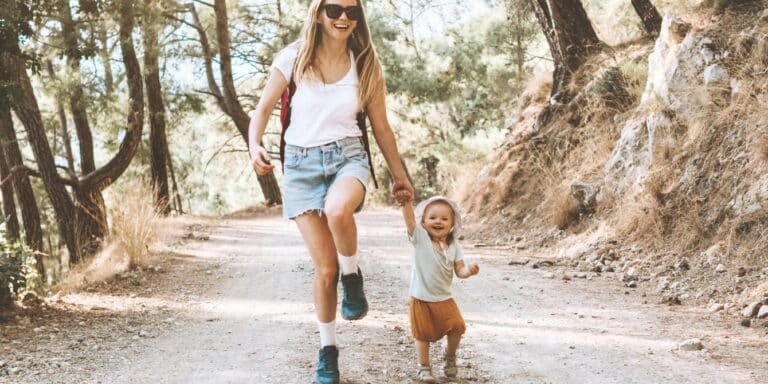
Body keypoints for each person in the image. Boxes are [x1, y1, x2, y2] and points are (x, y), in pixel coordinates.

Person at [247, 0, 414, 383]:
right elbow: (261, 110)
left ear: (359, 20)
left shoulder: (366, 63)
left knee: (339, 211)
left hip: (348, 156)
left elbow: (382, 128)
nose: (343, 18)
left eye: (352, 12)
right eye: (335, 9)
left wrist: (399, 175)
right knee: (324, 271)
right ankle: (328, 351)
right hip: (301, 168)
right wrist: (254, 145)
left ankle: (352, 275)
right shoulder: (293, 57)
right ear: (319, 13)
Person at [396, 194, 480, 383]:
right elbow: (409, 220)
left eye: (444, 218)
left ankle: (449, 356)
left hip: (444, 298)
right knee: (422, 334)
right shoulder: (420, 239)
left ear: (452, 223)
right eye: (432, 217)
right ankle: (424, 367)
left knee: (457, 327)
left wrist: (469, 271)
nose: (438, 222)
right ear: (424, 221)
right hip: (421, 297)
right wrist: (407, 203)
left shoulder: (454, 245)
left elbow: (460, 270)